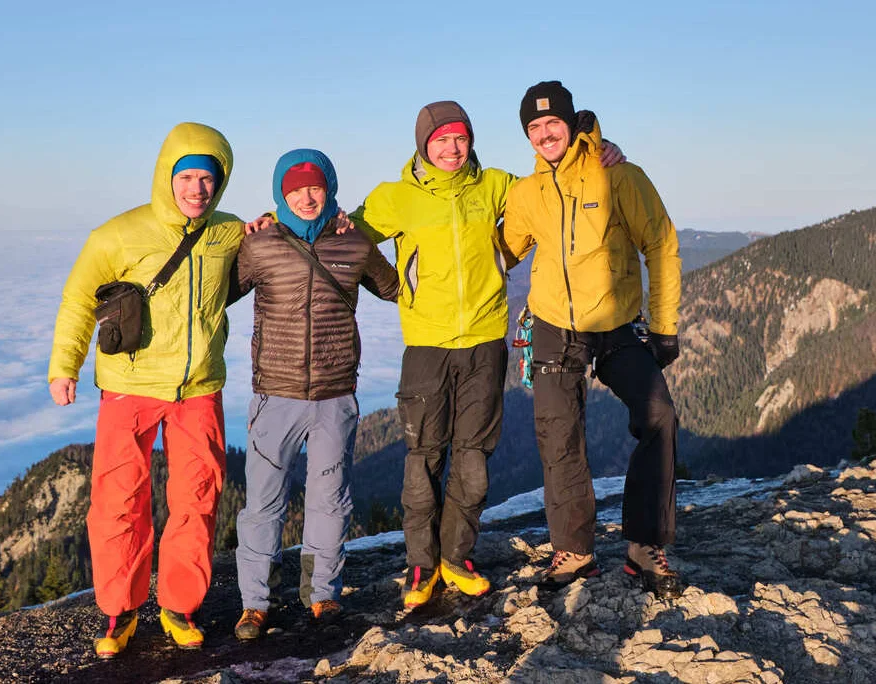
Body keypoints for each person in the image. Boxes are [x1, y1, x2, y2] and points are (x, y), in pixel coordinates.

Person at [349, 101, 625, 608]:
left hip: (483, 340)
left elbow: (551, 184)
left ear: (471, 141)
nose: (452, 149)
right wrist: (389, 285)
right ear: (423, 145)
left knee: (474, 458)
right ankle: (420, 564)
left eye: (460, 139)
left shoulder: (495, 185)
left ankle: (456, 557)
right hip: (426, 343)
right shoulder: (396, 198)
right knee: (424, 457)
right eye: (441, 141)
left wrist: (598, 152)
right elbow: (344, 237)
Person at [47, 122, 245, 656]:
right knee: (117, 500)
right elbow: (77, 301)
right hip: (129, 387)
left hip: (199, 387)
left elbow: (257, 258)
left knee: (196, 499)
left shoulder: (229, 232)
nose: (197, 190)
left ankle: (179, 604)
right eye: (187, 178)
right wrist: (62, 368)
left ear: (220, 183)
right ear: (166, 177)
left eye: (208, 179)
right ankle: (120, 609)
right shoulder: (116, 235)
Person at [500, 81, 683, 599]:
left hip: (616, 324)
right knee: (558, 432)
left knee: (658, 416)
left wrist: (665, 328)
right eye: (533, 128)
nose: (543, 134)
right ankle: (575, 551)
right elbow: (503, 251)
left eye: (550, 123)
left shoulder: (616, 173)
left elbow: (661, 244)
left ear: (570, 121)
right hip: (555, 326)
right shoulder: (525, 193)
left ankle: (644, 546)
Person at [226, 148, 399, 640]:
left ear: (330, 189)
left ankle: (323, 595)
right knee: (263, 504)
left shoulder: (352, 242)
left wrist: (370, 235)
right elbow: (216, 295)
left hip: (334, 394)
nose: (305, 196)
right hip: (275, 395)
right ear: (280, 193)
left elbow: (392, 288)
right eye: (294, 188)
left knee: (331, 500)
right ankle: (254, 604)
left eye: (315, 186)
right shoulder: (260, 245)